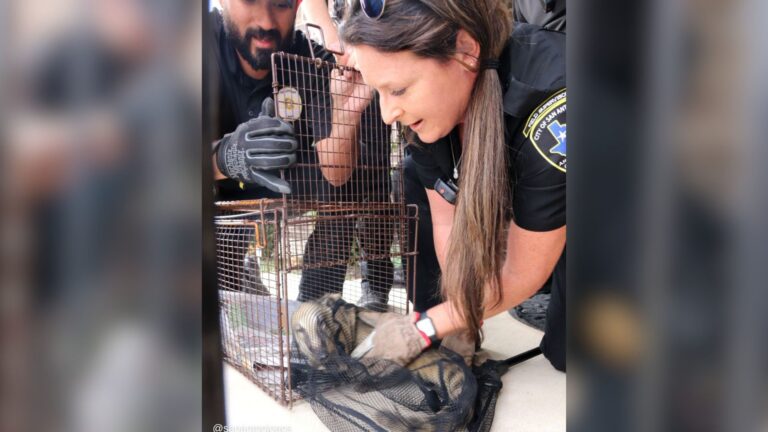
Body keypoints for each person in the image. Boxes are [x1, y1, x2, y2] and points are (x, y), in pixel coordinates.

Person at [339, 0, 566, 371]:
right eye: (378, 92)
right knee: (411, 173)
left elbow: (523, 273)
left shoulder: (553, 103)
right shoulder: (429, 117)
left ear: (466, 51)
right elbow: (448, 222)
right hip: (553, 200)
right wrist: (462, 312)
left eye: (398, 90)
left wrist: (424, 327)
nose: (385, 114)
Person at [208, 0, 394, 307]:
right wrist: (226, 156)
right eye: (250, 1)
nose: (266, 22)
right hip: (218, 187)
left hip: (286, 178)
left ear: (298, 5)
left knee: (357, 172)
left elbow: (337, 174)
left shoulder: (311, 60)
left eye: (280, 5)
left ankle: (316, 308)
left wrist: (345, 120)